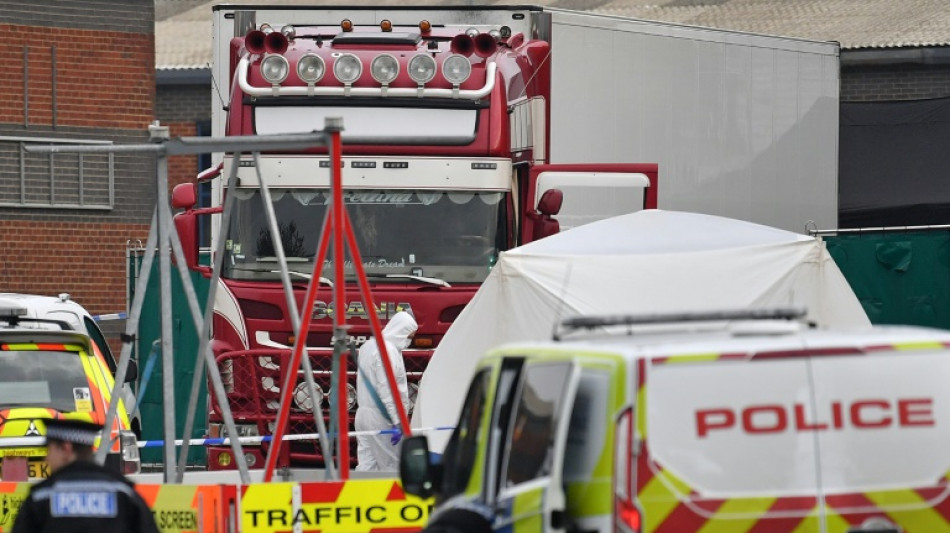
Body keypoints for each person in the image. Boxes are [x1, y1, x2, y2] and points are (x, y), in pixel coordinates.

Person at [12, 418, 160, 533]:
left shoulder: (41, 498)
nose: (46, 458)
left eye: (49, 450)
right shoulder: (124, 495)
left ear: (66, 449)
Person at [355, 310, 417, 471]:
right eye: (409, 337)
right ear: (401, 331)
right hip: (382, 418)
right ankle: (393, 496)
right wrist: (397, 420)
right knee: (391, 465)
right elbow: (386, 390)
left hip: (363, 414)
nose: (409, 341)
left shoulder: (368, 346)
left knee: (367, 465)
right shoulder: (387, 351)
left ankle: (360, 495)